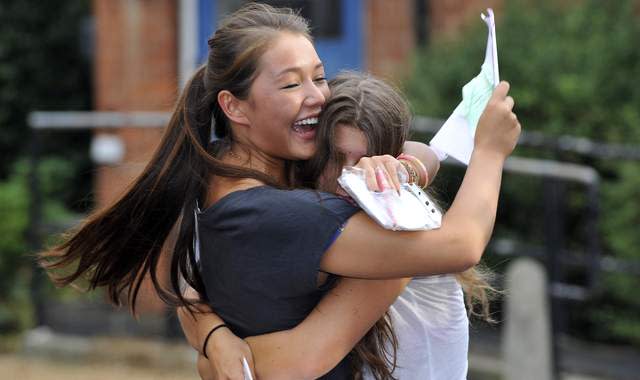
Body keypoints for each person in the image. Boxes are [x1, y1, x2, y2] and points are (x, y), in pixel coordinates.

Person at [39, 4, 520, 379]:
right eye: (291, 84)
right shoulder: (283, 212)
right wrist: (490, 151)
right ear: (235, 106)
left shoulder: (227, 178)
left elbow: (192, 286)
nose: (315, 96)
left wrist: (407, 167)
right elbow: (461, 246)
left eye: (319, 76)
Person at [181, 71, 496, 380]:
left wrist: (214, 359)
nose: (348, 179)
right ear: (313, 155)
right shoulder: (298, 217)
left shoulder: (403, 230)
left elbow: (299, 360)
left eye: (366, 161)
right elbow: (194, 292)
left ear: (390, 161)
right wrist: (214, 336)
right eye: (335, 158)